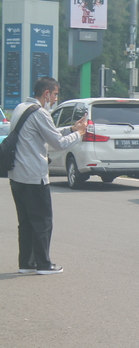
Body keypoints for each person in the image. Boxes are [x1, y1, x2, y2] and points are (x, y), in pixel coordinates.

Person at [9, 77, 87, 275]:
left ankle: (26, 263)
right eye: (54, 95)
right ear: (46, 93)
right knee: (43, 221)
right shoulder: (40, 113)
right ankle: (44, 264)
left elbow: (48, 133)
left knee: (26, 222)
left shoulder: (20, 108)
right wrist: (79, 134)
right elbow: (59, 143)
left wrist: (71, 128)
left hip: (17, 175)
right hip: (34, 176)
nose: (54, 99)